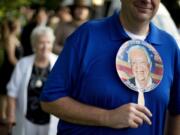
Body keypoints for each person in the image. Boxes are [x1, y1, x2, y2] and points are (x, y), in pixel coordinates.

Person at [40, 0, 180, 135]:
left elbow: (177, 111)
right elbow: (50, 99)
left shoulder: (169, 46)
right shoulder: (87, 35)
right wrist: (107, 117)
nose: (146, 0)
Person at [6, 26, 58, 135]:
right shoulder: (23, 63)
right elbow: (12, 91)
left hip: (50, 120)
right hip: (26, 118)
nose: (45, 46)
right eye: (41, 43)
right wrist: (11, 115)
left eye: (48, 42)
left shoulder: (58, 62)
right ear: (34, 44)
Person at [0, 18, 23, 121]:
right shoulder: (9, 38)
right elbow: (11, 57)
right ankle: (2, 116)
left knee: (11, 91)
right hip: (8, 69)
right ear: (15, 27)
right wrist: (21, 67)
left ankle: (8, 113)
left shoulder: (15, 38)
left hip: (14, 68)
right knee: (5, 92)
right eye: (19, 26)